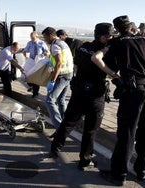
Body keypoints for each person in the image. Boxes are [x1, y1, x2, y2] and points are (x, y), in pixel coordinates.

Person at [92, 15, 145, 186]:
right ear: (131, 26)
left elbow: (101, 61)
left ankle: (119, 175)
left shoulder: (118, 43)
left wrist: (114, 75)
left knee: (127, 134)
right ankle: (141, 171)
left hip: (132, 92)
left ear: (117, 29)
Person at [49, 23, 114, 171]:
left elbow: (76, 66)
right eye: (110, 36)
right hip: (95, 94)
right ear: (103, 37)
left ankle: (55, 148)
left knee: (69, 122)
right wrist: (115, 75)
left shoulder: (83, 47)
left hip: (79, 89)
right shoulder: (106, 50)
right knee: (90, 129)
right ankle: (85, 161)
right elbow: (109, 69)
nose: (112, 39)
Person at [42, 27, 73, 138]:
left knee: (50, 100)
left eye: (45, 37)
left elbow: (59, 63)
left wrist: (53, 80)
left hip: (62, 76)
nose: (44, 39)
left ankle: (60, 129)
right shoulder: (62, 43)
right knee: (60, 100)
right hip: (69, 74)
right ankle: (65, 126)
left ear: (51, 35)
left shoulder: (55, 45)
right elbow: (61, 60)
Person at [23, 31, 49, 98]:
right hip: (31, 62)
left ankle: (35, 93)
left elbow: (48, 52)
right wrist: (26, 56)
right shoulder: (29, 43)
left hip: (39, 63)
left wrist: (44, 54)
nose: (32, 39)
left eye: (33, 38)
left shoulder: (42, 43)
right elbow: (25, 51)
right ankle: (31, 85)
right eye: (31, 38)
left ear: (37, 37)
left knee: (36, 78)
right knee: (27, 75)